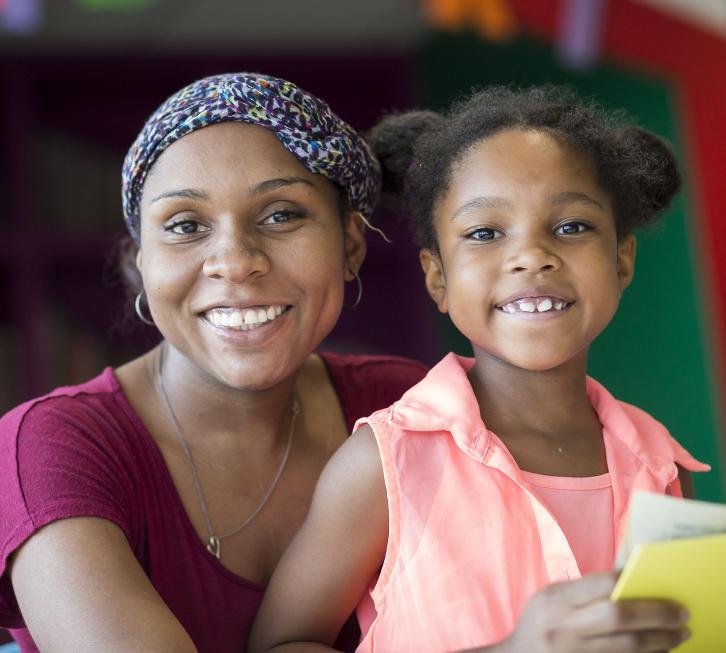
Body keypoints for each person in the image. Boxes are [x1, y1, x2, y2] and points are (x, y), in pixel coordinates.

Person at [249, 86, 711, 653]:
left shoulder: (661, 464)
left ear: (621, 261)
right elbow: (280, 644)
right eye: (485, 234)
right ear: (437, 278)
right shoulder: (387, 464)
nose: (530, 256)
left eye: (571, 227)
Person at [0, 73, 427, 653]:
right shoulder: (53, 448)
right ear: (142, 263)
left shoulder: (412, 411)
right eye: (185, 226)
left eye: (281, 215)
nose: (235, 261)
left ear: (350, 245)